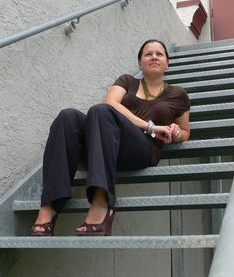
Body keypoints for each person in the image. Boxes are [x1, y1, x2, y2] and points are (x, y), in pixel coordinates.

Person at [31, 39, 190, 236]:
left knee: (101, 112)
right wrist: (150, 126)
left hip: (142, 149)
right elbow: (110, 102)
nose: (154, 57)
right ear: (140, 62)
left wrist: (175, 133)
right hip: (107, 143)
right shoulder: (127, 81)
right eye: (148, 54)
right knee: (68, 117)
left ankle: (101, 201)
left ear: (167, 63)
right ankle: (50, 205)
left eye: (160, 54)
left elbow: (185, 132)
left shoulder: (178, 94)